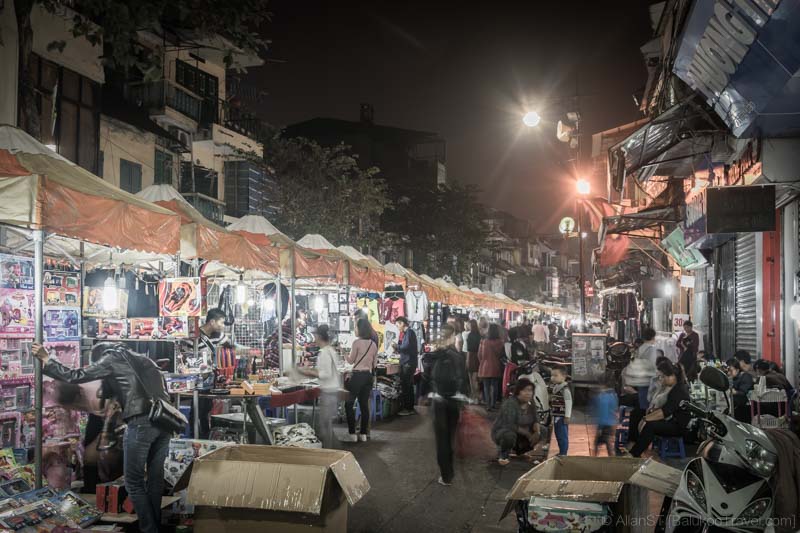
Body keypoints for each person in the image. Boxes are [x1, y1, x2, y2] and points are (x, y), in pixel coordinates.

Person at [32, 342, 171, 533]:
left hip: (141, 423)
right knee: (155, 479)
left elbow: (74, 377)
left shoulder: (110, 359)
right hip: (165, 421)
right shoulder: (142, 360)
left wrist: (47, 359)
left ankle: (149, 529)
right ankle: (155, 527)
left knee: (134, 482)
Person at [422, 324, 467, 486]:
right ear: (453, 337)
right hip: (454, 401)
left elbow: (425, 377)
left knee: (442, 439)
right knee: (450, 436)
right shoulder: (458, 356)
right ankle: (450, 471)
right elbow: (464, 379)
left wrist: (425, 395)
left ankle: (446, 475)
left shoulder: (433, 356)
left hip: (439, 401)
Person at [182, 308, 229, 439]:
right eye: (221, 322)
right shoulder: (192, 338)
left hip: (209, 381)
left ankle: (204, 438)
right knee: (197, 412)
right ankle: (195, 439)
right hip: (196, 382)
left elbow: (231, 345)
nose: (223, 326)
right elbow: (184, 359)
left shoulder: (218, 336)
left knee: (205, 411)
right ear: (212, 322)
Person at [629, 361, 691, 457]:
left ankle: (635, 453)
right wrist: (647, 415)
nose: (661, 379)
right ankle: (633, 443)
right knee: (636, 413)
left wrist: (645, 419)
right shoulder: (669, 387)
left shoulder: (679, 391)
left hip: (677, 426)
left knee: (650, 426)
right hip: (669, 419)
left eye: (663, 377)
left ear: (673, 376)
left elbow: (665, 412)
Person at [297, 325, 341, 448]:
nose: (314, 338)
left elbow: (325, 374)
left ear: (319, 336)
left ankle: (330, 453)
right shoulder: (330, 350)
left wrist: (307, 372)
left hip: (328, 392)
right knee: (327, 425)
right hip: (332, 391)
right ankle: (334, 449)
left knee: (325, 426)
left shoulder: (325, 353)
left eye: (315, 335)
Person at [492, 379, 541, 466]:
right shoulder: (510, 404)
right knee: (509, 435)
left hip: (522, 432)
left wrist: (537, 432)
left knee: (543, 430)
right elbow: (510, 425)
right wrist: (528, 434)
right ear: (518, 391)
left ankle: (521, 452)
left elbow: (536, 418)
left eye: (530, 390)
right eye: (525, 390)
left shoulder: (531, 402)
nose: (528, 393)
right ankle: (503, 455)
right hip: (503, 432)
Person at [345, 319, 378, 442]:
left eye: (356, 327)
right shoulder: (373, 344)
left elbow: (351, 361)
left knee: (348, 404)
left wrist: (344, 353)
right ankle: (363, 434)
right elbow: (375, 364)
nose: (355, 329)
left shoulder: (356, 343)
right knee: (364, 406)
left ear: (360, 329)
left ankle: (352, 433)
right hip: (368, 377)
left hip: (357, 376)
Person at [394, 317, 418, 416]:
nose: (397, 327)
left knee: (406, 386)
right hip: (408, 362)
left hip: (408, 363)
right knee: (408, 386)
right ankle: (410, 408)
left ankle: (408, 408)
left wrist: (397, 347)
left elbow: (406, 347)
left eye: (397, 325)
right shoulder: (408, 333)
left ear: (402, 323)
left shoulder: (409, 333)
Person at [478, 324, 504, 410]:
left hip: (485, 367)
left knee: (486, 387)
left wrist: (482, 362)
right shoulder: (500, 342)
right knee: (495, 386)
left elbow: (479, 355)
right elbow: (501, 355)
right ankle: (493, 404)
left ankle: (488, 404)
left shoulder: (484, 341)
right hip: (496, 366)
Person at [548, 365, 572, 456]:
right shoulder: (556, 387)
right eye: (551, 375)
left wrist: (567, 416)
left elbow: (569, 402)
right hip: (557, 415)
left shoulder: (564, 389)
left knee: (562, 435)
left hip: (562, 416)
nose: (552, 378)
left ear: (564, 376)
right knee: (558, 434)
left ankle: (563, 453)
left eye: (555, 375)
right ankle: (562, 451)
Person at [592, 378, 619, 457]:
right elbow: (614, 409)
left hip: (604, 424)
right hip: (612, 423)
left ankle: (594, 460)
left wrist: (600, 428)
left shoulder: (602, 397)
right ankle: (613, 461)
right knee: (609, 445)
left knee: (598, 444)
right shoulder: (613, 395)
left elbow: (603, 413)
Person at [727, 358, 754, 423]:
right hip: (735, 406)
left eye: (731, 370)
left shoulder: (746, 377)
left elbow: (743, 393)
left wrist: (734, 392)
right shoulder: (732, 378)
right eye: (727, 371)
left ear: (737, 370)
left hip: (744, 409)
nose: (728, 373)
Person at [466, 319, 482, 401]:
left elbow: (469, 349)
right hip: (478, 357)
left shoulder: (470, 335)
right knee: (475, 379)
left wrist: (467, 360)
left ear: (471, 325)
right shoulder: (479, 335)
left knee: (471, 379)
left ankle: (473, 396)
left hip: (471, 356)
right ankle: (476, 397)